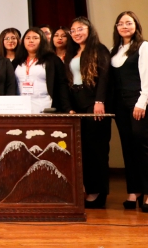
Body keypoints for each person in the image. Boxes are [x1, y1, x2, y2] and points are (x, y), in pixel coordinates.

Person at [63, 17, 111, 208]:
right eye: (73, 30)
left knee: (96, 149)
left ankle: (99, 193)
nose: (76, 33)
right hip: (77, 103)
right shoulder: (72, 52)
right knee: (82, 149)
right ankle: (88, 189)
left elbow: (105, 78)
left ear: (89, 30)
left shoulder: (99, 49)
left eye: (80, 29)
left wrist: (99, 101)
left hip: (94, 103)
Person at [110, 11, 148, 212]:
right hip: (120, 105)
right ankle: (134, 191)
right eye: (120, 23)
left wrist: (141, 102)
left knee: (144, 146)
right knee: (127, 146)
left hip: (140, 102)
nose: (124, 26)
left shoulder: (145, 47)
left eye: (128, 23)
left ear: (136, 25)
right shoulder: (114, 50)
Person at [12, 28, 71, 113]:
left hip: (45, 105)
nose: (31, 41)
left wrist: (67, 107)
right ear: (23, 41)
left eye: (35, 38)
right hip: (21, 107)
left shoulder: (52, 60)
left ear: (42, 40)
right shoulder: (17, 61)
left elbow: (62, 84)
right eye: (28, 38)